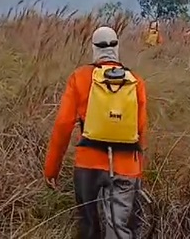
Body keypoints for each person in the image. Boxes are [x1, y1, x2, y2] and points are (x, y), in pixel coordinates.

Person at [43, 26, 148, 239]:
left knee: (88, 227)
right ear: (117, 47)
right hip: (125, 167)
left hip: (87, 165)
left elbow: (63, 125)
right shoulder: (135, 81)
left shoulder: (80, 78)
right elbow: (141, 130)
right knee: (118, 229)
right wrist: (138, 172)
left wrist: (51, 169)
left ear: (93, 48)